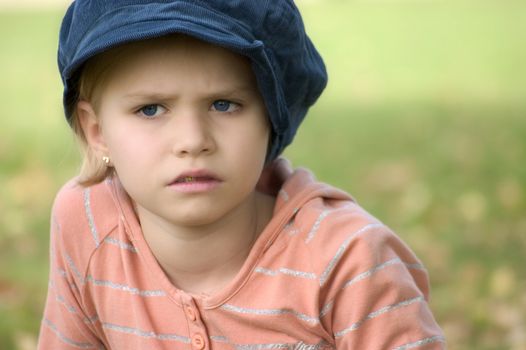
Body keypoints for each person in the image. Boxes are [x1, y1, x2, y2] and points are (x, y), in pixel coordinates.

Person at [38, 1, 445, 349]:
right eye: (150, 109)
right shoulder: (87, 222)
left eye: (223, 104)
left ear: (271, 115)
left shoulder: (348, 261)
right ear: (97, 131)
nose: (193, 140)